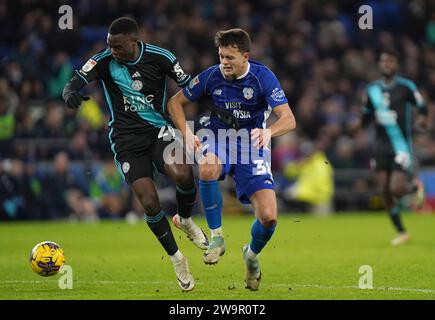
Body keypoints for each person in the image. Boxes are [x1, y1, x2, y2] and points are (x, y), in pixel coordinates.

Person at [62, 17, 209, 292]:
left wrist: (214, 107)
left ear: (134, 41)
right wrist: (69, 91)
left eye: (117, 47)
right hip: (126, 140)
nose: (113, 52)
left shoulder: (161, 57)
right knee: (150, 203)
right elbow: (76, 81)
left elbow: (190, 86)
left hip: (158, 131)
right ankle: (177, 258)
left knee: (184, 173)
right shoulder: (104, 61)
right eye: (110, 46)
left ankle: (186, 220)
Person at [167, 28, 296, 290]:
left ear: (245, 56)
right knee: (207, 166)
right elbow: (174, 103)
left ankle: (250, 255)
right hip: (218, 137)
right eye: (221, 56)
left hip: (252, 145)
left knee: (269, 217)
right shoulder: (212, 76)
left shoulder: (263, 78)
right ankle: (217, 237)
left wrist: (269, 131)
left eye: (229, 57)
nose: (224, 62)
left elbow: (289, 119)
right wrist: (187, 133)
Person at [360, 48, 428, 246]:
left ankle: (414, 187)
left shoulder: (406, 87)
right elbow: (365, 117)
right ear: (379, 65)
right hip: (380, 146)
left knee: (396, 188)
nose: (386, 65)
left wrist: (423, 119)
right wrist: (360, 120)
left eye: (390, 62)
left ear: (396, 65)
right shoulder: (371, 90)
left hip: (400, 146)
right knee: (384, 191)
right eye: (383, 62)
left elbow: (423, 107)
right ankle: (402, 231)